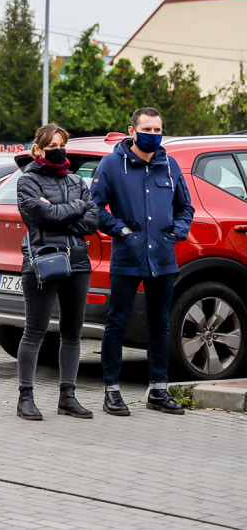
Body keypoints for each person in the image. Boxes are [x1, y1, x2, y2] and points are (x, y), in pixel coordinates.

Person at [92, 107, 194, 416]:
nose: (153, 135)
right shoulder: (112, 165)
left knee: (160, 324)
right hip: (128, 256)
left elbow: (185, 207)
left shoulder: (170, 164)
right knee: (118, 322)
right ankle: (112, 390)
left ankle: (158, 391)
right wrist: (119, 229)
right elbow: (94, 207)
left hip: (163, 259)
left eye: (157, 129)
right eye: (147, 129)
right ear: (132, 131)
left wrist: (177, 232)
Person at [14, 124, 99, 419]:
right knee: (34, 331)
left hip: (77, 261)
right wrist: (73, 210)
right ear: (37, 149)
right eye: (52, 145)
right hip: (43, 260)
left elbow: (91, 220)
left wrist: (65, 210)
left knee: (72, 332)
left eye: (62, 143)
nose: (59, 149)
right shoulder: (27, 181)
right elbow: (40, 215)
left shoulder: (77, 181)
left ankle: (68, 396)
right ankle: (25, 396)